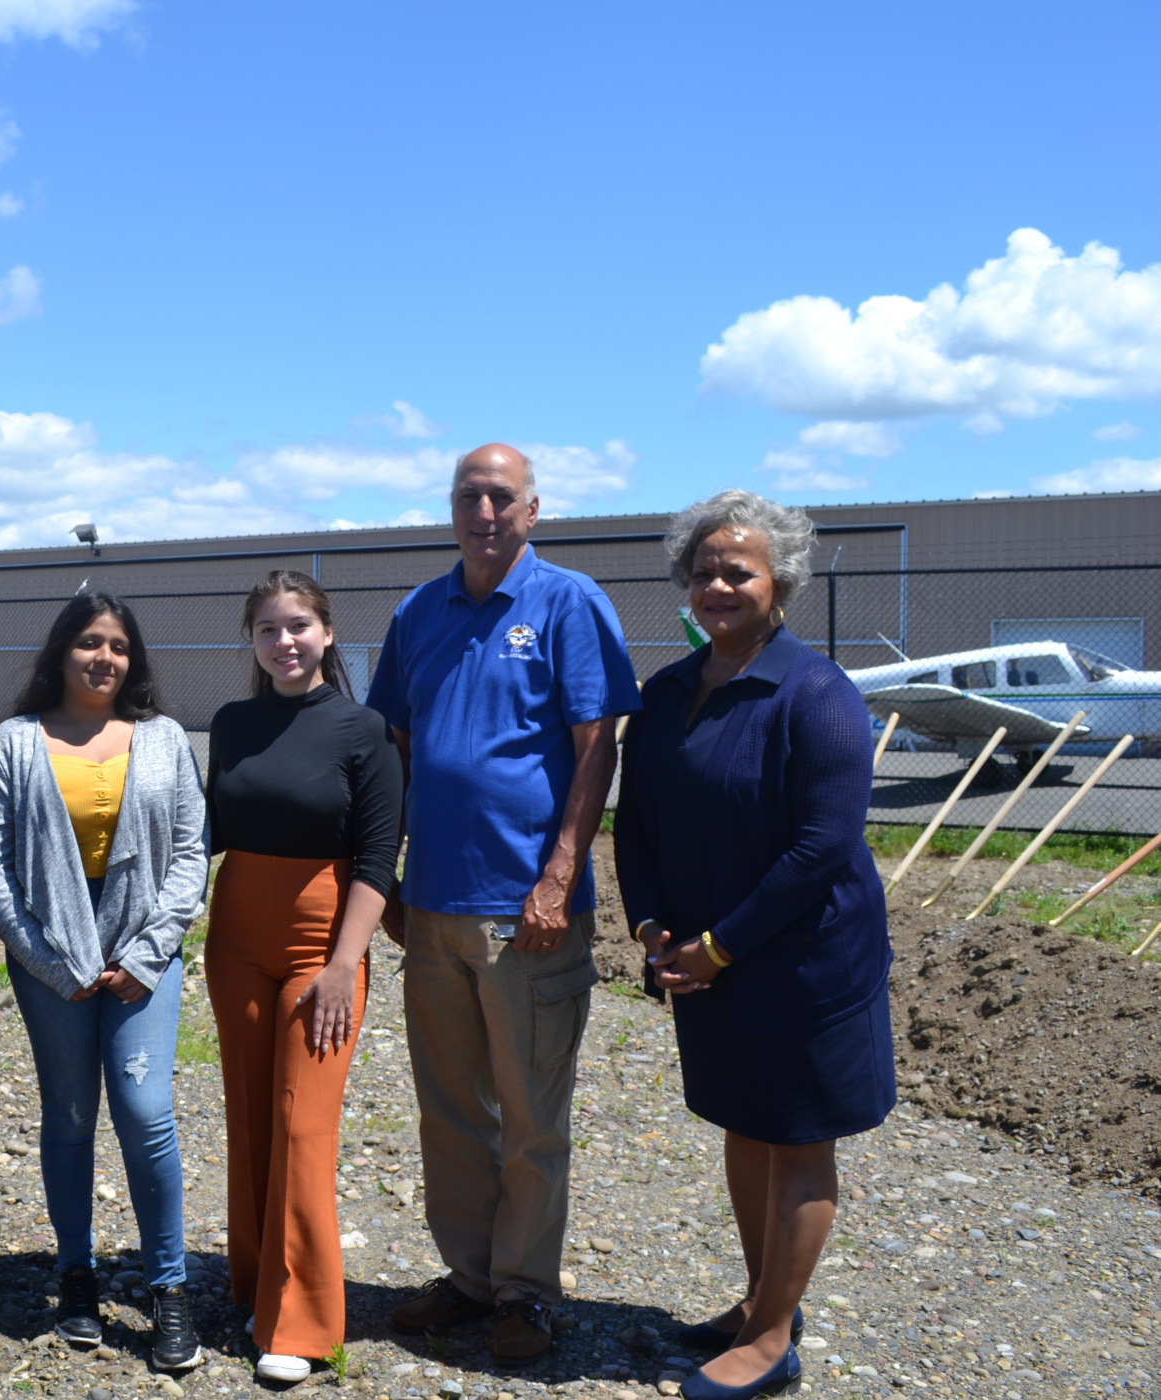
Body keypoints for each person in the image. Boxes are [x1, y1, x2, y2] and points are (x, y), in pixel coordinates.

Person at [615, 490, 894, 1400]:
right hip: (703, 962)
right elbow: (638, 827)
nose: (719, 584)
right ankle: (760, 1298)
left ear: (780, 584)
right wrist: (652, 927)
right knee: (745, 1124)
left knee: (799, 1139)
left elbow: (821, 847)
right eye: (704, 571)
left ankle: (774, 1337)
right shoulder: (664, 695)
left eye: (740, 569)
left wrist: (720, 948)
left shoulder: (816, 695)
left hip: (805, 966)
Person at [367, 443, 641, 1365]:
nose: (482, 511)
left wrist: (559, 876)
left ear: (533, 510)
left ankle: (526, 1292)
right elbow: (395, 750)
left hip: (528, 911)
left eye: (500, 497)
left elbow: (596, 745)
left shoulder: (568, 604)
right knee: (449, 1109)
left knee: (529, 1114)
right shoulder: (418, 612)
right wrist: (393, 882)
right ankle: (471, 1277)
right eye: (467, 496)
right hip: (435, 906)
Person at [0, 593, 210, 1371]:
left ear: (132, 658)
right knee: (70, 1112)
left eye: (116, 645)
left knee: (145, 1113)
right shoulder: (15, 742)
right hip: (53, 960)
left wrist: (148, 952)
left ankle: (168, 1287)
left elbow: (188, 853)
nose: (102, 658)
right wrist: (46, 959)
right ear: (60, 653)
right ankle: (75, 1274)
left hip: (144, 956)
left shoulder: (165, 739)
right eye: (87, 643)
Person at [206, 570, 403, 1384]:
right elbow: (207, 830)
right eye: (267, 629)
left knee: (303, 1124)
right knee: (251, 1115)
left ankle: (304, 1319)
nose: (284, 642)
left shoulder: (364, 730)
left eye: (298, 627)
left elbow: (378, 855)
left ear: (326, 632)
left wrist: (341, 964)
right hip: (236, 935)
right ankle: (253, 1281)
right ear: (252, 641)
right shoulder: (231, 723)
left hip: (322, 941)